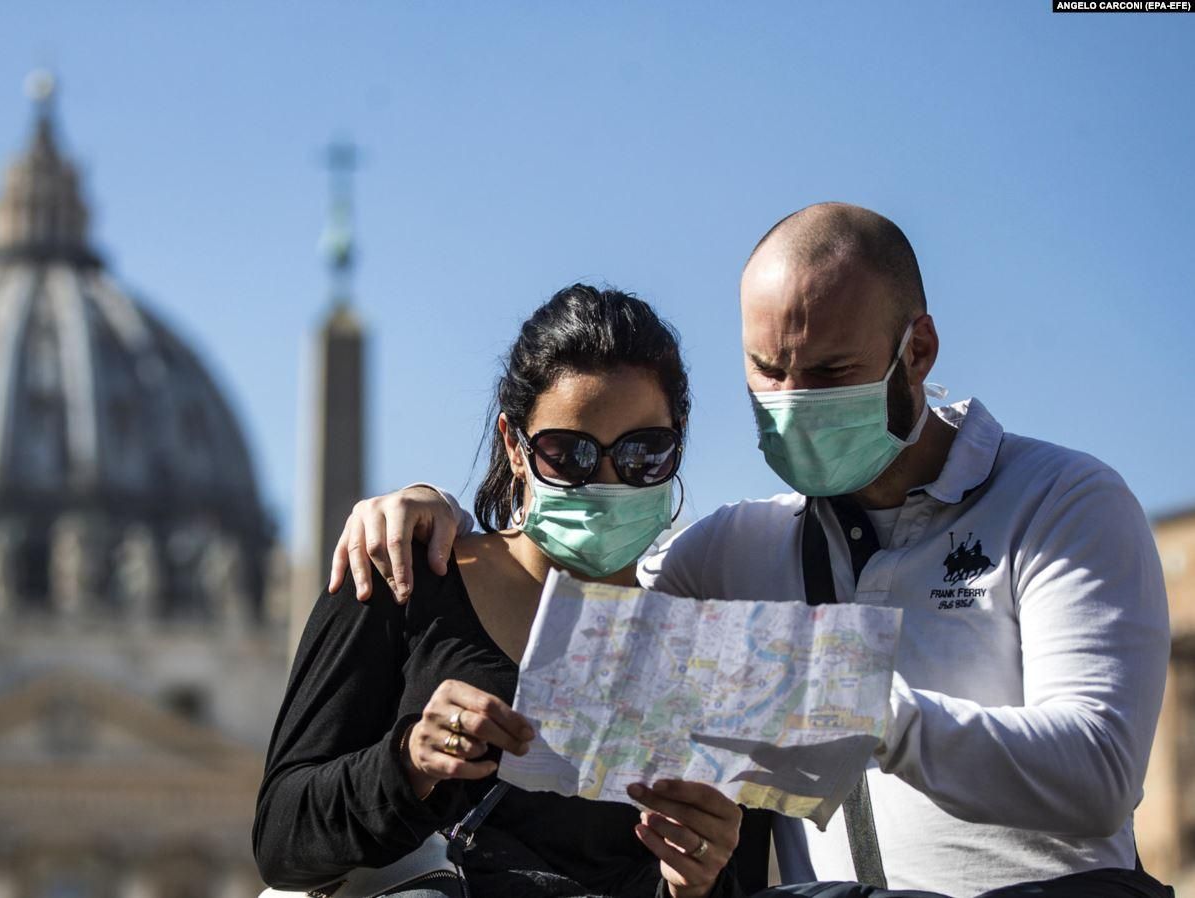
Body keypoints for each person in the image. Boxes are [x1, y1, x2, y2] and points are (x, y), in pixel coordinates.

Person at [327, 204, 1172, 897]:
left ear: (915, 352)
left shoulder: (1060, 501)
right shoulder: (736, 548)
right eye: (768, 370)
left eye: (828, 371)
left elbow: (1096, 772)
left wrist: (856, 709)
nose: (791, 401)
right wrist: (429, 506)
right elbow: (584, 595)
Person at [254, 285, 748, 898]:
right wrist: (408, 762)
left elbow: (733, 877)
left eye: (643, 453)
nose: (606, 481)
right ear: (516, 446)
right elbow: (281, 839)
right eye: (568, 454)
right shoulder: (401, 577)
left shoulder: (706, 656)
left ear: (678, 445)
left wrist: (698, 882)